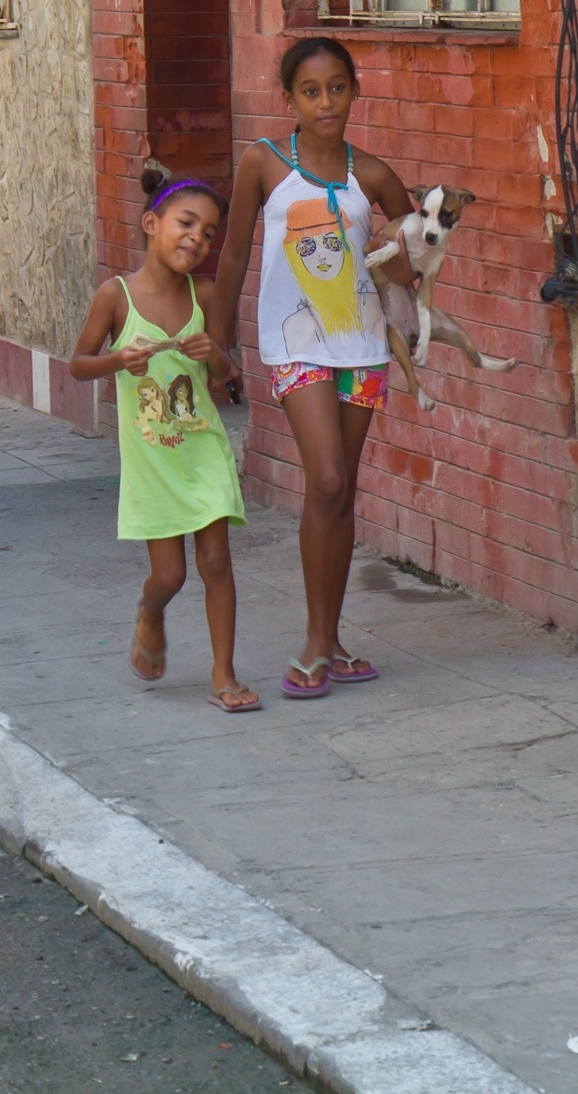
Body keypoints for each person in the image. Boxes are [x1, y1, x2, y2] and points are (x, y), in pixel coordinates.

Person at [213, 36, 418, 699]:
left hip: (362, 346)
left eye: (337, 88)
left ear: (354, 91)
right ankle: (312, 638)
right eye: (310, 90)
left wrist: (397, 254)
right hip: (295, 343)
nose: (325, 102)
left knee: (341, 489)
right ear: (290, 99)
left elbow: (412, 258)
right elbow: (234, 253)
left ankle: (332, 640)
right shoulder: (264, 165)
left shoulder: (376, 176)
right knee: (324, 475)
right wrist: (223, 342)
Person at [70, 170, 256, 713]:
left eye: (209, 232)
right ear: (152, 224)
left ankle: (224, 674)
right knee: (170, 575)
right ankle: (150, 613)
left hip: (203, 451)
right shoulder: (116, 297)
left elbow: (227, 373)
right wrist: (116, 360)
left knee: (217, 563)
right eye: (186, 223)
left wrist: (215, 357)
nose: (197, 239)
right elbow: (79, 365)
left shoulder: (205, 293)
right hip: (152, 460)